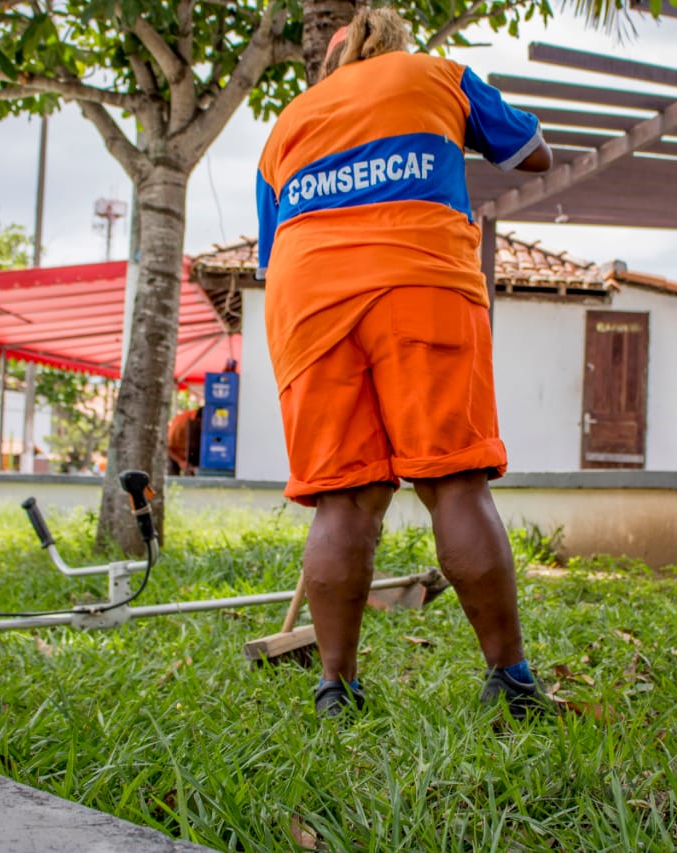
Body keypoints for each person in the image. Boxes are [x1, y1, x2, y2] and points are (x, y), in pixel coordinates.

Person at [256, 8, 555, 720]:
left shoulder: (287, 124)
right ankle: (510, 680)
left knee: (342, 496)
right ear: (398, 46)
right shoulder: (440, 75)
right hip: (420, 281)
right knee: (453, 480)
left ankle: (336, 688)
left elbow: (272, 254)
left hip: (308, 303)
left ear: (335, 65)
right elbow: (532, 151)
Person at [166, 406, 203, 476]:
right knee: (171, 471)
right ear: (199, 419)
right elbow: (167, 448)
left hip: (191, 458)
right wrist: (180, 462)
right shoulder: (180, 424)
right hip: (175, 456)